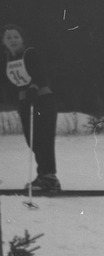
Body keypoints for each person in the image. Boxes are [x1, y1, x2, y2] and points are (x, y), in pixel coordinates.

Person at [1, 24, 60, 192]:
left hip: (42, 100)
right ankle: (43, 176)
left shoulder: (30, 53)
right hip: (26, 103)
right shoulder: (7, 60)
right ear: (4, 42)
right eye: (8, 37)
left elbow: (41, 73)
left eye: (15, 37)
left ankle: (49, 177)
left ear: (22, 39)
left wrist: (34, 86)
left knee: (43, 138)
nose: (12, 40)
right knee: (32, 140)